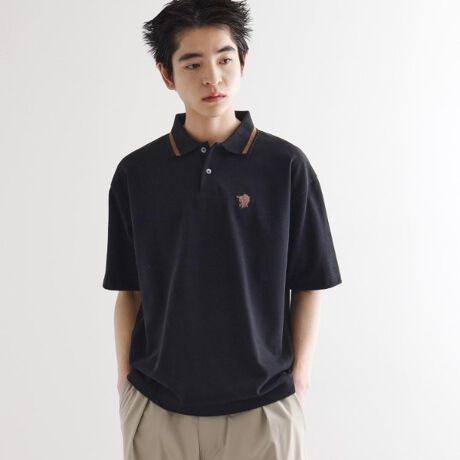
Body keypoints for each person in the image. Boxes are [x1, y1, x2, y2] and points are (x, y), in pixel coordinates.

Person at [102, 1, 342, 459]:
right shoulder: (137, 173)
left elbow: (311, 282)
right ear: (166, 74)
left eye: (224, 59)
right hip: (157, 406)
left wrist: (300, 381)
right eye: (192, 64)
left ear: (243, 62)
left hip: (264, 408)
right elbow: (129, 291)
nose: (212, 77)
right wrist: (124, 384)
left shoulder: (286, 166)